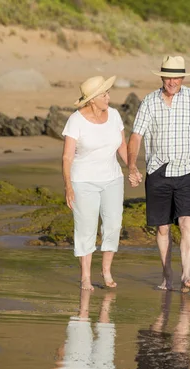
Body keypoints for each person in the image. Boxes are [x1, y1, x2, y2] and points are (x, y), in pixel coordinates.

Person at [127, 55, 190, 292]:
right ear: (162, 77)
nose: (172, 81)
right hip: (158, 171)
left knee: (187, 222)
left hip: (188, 170)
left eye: (177, 77)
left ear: (183, 77)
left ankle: (186, 275)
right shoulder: (149, 101)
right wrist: (132, 165)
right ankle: (167, 275)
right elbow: (136, 136)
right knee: (163, 228)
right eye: (168, 77)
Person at [61, 75, 127, 290]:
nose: (108, 97)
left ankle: (106, 271)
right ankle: (85, 278)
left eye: (107, 93)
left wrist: (132, 167)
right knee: (86, 229)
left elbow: (122, 147)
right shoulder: (76, 120)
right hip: (83, 181)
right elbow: (67, 157)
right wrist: (68, 187)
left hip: (113, 179)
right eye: (104, 94)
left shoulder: (115, 115)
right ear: (92, 100)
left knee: (113, 225)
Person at [51, 290, 117, 369]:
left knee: (92, 342)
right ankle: (104, 307)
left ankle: (88, 304)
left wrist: (60, 363)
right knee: (104, 347)